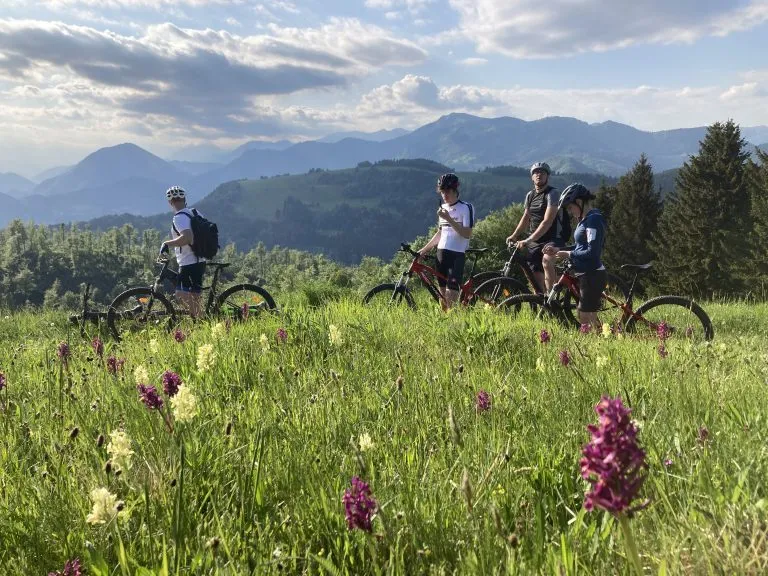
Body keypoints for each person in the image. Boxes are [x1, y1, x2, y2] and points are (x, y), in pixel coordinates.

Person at [543, 183, 606, 331]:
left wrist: (568, 254)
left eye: (571, 207)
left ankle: (592, 347)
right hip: (585, 274)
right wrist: (559, 249)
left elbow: (592, 252)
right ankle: (601, 340)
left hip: (592, 274)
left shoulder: (593, 220)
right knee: (585, 315)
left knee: (584, 317)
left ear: (579, 202)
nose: (570, 212)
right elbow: (580, 247)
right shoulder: (585, 219)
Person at [506, 162, 570, 292]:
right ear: (532, 177)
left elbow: (547, 221)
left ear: (548, 176)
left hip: (554, 238)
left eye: (542, 172)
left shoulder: (553, 193)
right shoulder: (530, 195)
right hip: (535, 240)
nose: (539, 174)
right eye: (535, 172)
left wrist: (528, 240)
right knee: (533, 271)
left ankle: (553, 298)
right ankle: (543, 299)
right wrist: (514, 236)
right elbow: (525, 218)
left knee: (546, 260)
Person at [418, 173, 474, 311]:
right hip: (441, 254)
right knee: (442, 298)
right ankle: (445, 329)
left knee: (451, 297)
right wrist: (423, 250)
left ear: (455, 190)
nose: (444, 195)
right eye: (442, 192)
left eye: (447, 191)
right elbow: (440, 233)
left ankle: (454, 326)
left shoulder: (465, 207)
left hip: (456, 255)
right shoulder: (443, 208)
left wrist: (448, 219)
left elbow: (467, 234)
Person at [160, 186, 206, 318]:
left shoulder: (179, 217)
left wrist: (167, 243)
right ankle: (202, 321)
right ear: (185, 199)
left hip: (188, 262)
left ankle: (202, 321)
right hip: (200, 260)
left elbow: (187, 238)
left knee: (181, 296)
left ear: (170, 203)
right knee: (195, 297)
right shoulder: (195, 212)